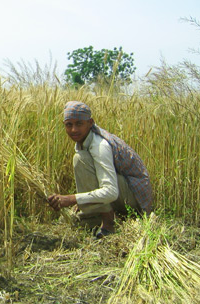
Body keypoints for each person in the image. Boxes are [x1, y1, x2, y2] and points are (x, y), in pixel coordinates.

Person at [48, 101, 153, 238]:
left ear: (90, 123)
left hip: (136, 198)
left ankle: (109, 224)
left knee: (80, 160)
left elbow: (111, 192)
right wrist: (83, 200)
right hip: (124, 193)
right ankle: (99, 216)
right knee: (82, 158)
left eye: (79, 124)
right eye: (69, 125)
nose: (73, 129)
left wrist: (72, 199)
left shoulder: (100, 145)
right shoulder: (85, 141)